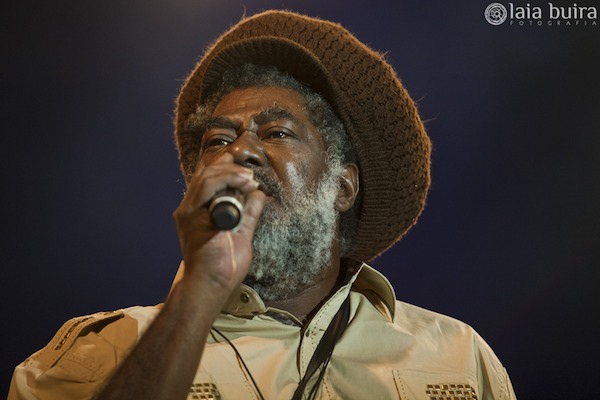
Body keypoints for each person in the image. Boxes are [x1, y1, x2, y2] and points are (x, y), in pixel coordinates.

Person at [8, 10, 516, 400]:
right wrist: (201, 288)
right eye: (217, 140)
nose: (241, 150)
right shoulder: (102, 349)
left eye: (276, 132)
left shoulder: (458, 356)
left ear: (343, 188)